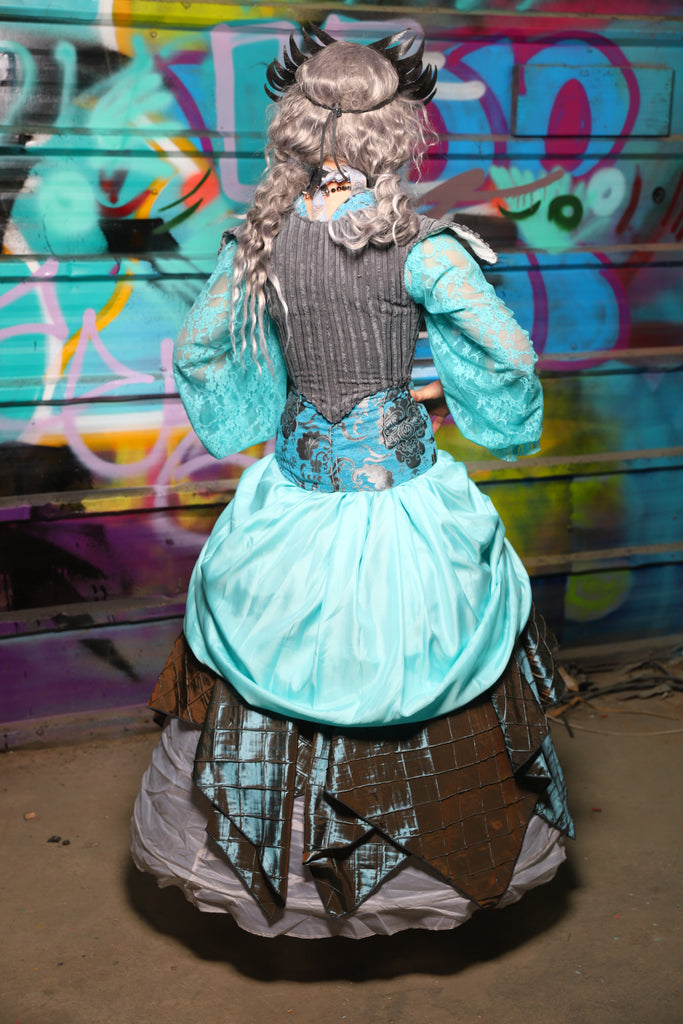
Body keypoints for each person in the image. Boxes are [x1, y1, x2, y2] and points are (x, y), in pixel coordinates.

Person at [131, 27, 573, 939]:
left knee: (268, 650)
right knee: (423, 647)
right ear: (398, 128)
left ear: (296, 123)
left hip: (293, 494)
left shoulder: (256, 242)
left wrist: (261, 408)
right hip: (401, 491)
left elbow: (201, 346)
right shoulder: (424, 247)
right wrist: (472, 403)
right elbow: (506, 351)